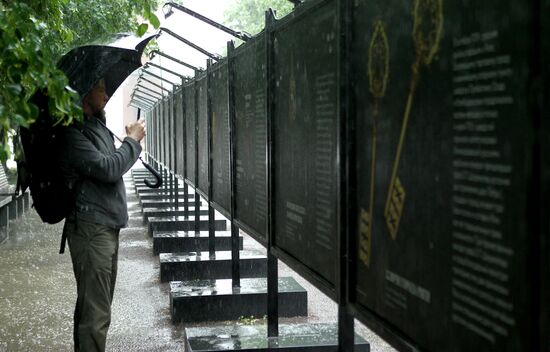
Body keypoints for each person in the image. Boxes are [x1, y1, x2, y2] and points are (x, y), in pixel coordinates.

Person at [60, 78, 145, 352]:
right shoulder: (72, 133)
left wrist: (124, 142)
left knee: (95, 309)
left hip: (104, 227)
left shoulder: (95, 126)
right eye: (100, 87)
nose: (106, 93)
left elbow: (111, 165)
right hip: (91, 230)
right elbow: (108, 168)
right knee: (95, 315)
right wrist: (131, 142)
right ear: (85, 94)